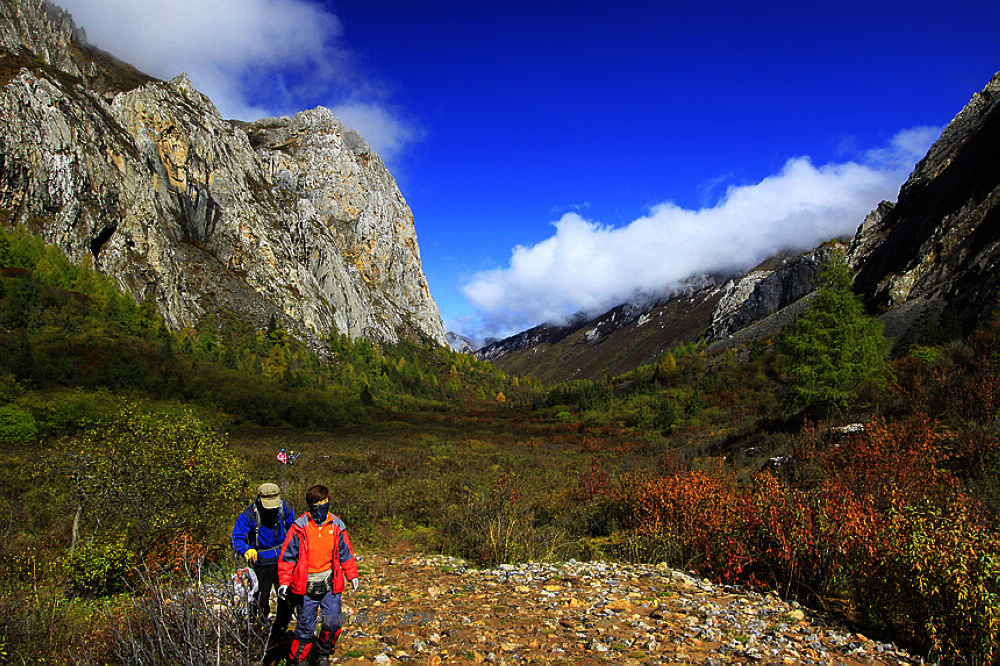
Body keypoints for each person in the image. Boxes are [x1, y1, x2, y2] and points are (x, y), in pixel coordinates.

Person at [278, 484, 359, 665]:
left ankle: (323, 653)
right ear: (310, 503)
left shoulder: (337, 525)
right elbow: (287, 558)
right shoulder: (299, 527)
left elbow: (346, 552)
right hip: (306, 586)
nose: (322, 505)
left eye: (325, 501)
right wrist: (284, 582)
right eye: (318, 502)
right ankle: (297, 660)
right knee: (305, 627)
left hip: (331, 584)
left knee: (333, 623)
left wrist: (352, 575)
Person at [231, 483, 296, 656]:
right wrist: (246, 550)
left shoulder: (285, 509)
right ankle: (259, 636)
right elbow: (236, 538)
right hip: (260, 563)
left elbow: (294, 530)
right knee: (260, 601)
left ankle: (278, 631)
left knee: (288, 599)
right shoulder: (248, 515)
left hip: (283, 561)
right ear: (259, 501)